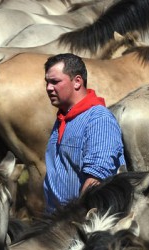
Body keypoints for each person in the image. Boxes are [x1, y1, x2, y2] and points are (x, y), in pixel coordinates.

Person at [43, 52, 126, 213]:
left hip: (83, 224)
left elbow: (97, 180)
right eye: (47, 82)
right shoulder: (63, 118)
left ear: (77, 82)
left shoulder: (98, 119)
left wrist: (75, 219)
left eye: (55, 82)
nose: (48, 88)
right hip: (57, 224)